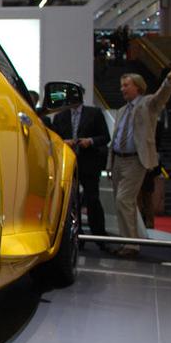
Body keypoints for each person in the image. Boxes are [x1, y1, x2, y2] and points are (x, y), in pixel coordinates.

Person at [109, 71, 171, 257]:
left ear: (138, 87)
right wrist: (110, 163)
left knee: (123, 200)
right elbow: (116, 138)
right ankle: (127, 242)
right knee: (122, 203)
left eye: (126, 85)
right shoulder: (122, 110)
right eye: (121, 85)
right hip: (118, 160)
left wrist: (169, 81)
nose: (122, 89)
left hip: (135, 160)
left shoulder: (147, 104)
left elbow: (161, 96)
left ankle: (131, 245)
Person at [50, 85, 110, 246]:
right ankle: (76, 237)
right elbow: (54, 140)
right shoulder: (60, 117)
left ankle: (100, 237)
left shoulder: (94, 113)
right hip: (68, 165)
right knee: (71, 201)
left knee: (93, 200)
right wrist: (64, 142)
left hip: (89, 164)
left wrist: (90, 141)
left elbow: (105, 137)